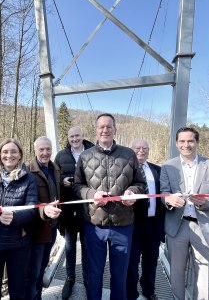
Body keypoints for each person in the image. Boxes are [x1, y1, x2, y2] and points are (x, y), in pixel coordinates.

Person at [73, 113, 147, 300]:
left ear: (115, 130)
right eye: (101, 127)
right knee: (95, 274)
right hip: (94, 224)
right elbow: (76, 185)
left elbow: (140, 183)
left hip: (123, 224)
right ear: (95, 130)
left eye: (109, 127)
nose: (105, 130)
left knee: (119, 274)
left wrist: (132, 192)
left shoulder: (128, 154)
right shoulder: (85, 156)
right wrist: (91, 195)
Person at [160, 127, 209, 300]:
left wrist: (206, 202)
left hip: (206, 226)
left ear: (197, 142)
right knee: (176, 272)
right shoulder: (168, 166)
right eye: (182, 141)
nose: (186, 145)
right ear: (177, 143)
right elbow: (163, 193)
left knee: (205, 274)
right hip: (176, 227)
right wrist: (168, 200)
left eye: (190, 141)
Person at [0, 138, 38, 300]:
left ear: (20, 155)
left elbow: (33, 209)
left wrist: (15, 217)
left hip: (17, 246)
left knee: (18, 292)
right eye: (5, 152)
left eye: (13, 152)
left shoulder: (29, 179)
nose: (9, 155)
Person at [54, 126, 94, 299]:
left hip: (89, 209)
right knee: (70, 247)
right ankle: (70, 278)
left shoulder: (94, 151)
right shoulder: (61, 156)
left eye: (77, 135)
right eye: (71, 136)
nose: (74, 139)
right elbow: (55, 179)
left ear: (83, 136)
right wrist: (63, 182)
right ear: (68, 138)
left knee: (87, 247)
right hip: (69, 209)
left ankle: (87, 279)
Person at [127, 139, 165, 300]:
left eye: (145, 148)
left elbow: (164, 195)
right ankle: (131, 294)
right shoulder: (125, 170)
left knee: (151, 262)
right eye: (137, 148)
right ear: (131, 150)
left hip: (153, 225)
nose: (141, 151)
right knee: (131, 263)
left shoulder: (158, 170)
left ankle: (148, 291)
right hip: (133, 224)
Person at [26, 136, 62, 300]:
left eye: (48, 149)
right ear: (35, 151)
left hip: (52, 228)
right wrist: (43, 209)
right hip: (36, 230)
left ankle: (38, 296)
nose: (45, 153)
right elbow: (25, 200)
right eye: (41, 149)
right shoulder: (26, 170)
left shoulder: (55, 169)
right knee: (32, 271)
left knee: (42, 268)